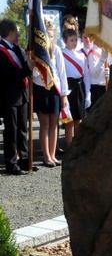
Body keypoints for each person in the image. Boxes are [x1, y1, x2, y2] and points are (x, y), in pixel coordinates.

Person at [0, 19, 36, 175]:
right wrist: (27, 69)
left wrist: (30, 35)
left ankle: (25, 160)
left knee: (22, 129)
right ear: (10, 32)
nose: (18, 33)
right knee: (11, 131)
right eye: (17, 31)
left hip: (21, 94)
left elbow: (26, 59)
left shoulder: (16, 48)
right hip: (9, 96)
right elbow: (7, 76)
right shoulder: (1, 51)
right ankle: (11, 163)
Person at [32, 22, 69, 167]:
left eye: (52, 36)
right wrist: (35, 63)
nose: (50, 38)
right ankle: (46, 156)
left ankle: (53, 155)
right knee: (44, 124)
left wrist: (64, 94)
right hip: (41, 89)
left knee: (54, 124)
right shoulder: (37, 52)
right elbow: (34, 75)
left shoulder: (57, 50)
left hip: (55, 89)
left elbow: (62, 72)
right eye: (48, 35)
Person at [61, 28, 90, 144]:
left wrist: (88, 93)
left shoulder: (81, 55)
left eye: (75, 40)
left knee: (79, 118)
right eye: (71, 40)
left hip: (79, 86)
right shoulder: (62, 54)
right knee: (69, 119)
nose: (74, 43)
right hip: (69, 86)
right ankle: (70, 145)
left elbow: (86, 76)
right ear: (65, 41)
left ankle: (78, 143)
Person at [80, 32, 112, 107]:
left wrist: (110, 72)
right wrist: (101, 61)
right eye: (85, 37)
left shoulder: (104, 50)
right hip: (97, 87)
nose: (88, 40)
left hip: (106, 85)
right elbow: (93, 74)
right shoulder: (92, 52)